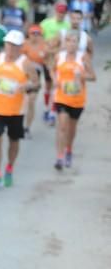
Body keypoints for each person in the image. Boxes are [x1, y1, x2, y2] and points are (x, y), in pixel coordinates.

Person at [0, 30, 40, 191]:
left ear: (21, 47)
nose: (11, 48)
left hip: (16, 110)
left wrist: (27, 86)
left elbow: (36, 83)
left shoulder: (25, 63)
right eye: (9, 44)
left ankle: (9, 168)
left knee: (13, 141)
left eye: (15, 45)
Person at [51, 31, 96, 170]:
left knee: (71, 128)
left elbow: (93, 77)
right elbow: (52, 70)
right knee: (62, 126)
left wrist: (81, 76)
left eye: (74, 41)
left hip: (77, 99)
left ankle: (68, 149)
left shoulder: (83, 58)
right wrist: (55, 81)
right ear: (65, 43)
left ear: (78, 44)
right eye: (69, 41)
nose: (71, 44)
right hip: (61, 97)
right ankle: (59, 157)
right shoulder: (60, 56)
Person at [21, 25, 48, 138]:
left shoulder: (44, 46)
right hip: (23, 75)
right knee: (22, 102)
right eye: (33, 33)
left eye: (37, 33)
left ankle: (27, 128)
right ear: (29, 34)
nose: (35, 36)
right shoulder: (24, 44)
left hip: (36, 76)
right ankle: (17, 124)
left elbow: (48, 61)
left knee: (31, 101)